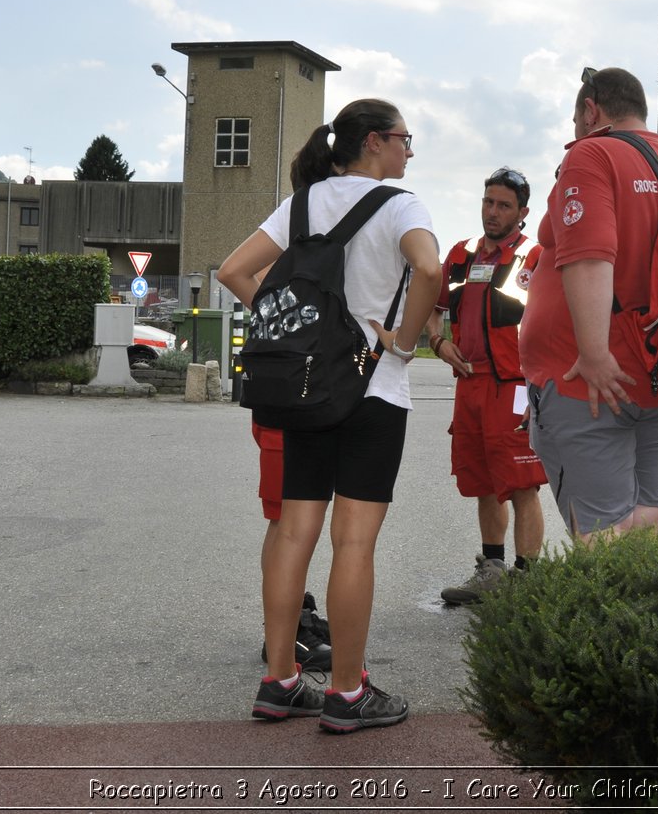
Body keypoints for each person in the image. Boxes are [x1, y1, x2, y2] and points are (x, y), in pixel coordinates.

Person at [219, 98, 440, 734]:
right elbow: (428, 267)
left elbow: (235, 270)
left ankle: (280, 680)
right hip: (373, 389)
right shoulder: (401, 205)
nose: (408, 150)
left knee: (294, 531)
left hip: (307, 387)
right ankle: (347, 692)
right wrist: (402, 338)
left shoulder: (303, 203)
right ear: (374, 142)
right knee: (354, 541)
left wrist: (293, 320)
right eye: (403, 138)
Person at [518, 67, 658, 543]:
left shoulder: (593, 154)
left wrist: (594, 354)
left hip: (592, 380)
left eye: (576, 119)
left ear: (591, 110)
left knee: (602, 533)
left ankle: (614, 618)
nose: (575, 130)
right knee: (654, 518)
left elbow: (589, 255)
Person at [426, 167, 546, 604]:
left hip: (514, 386)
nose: (492, 212)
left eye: (503, 206)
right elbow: (432, 307)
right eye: (488, 202)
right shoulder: (461, 255)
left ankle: (526, 580)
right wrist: (438, 342)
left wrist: (541, 387)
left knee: (521, 483)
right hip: (470, 386)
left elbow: (554, 323)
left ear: (523, 212)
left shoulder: (535, 256)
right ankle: (492, 570)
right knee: (483, 482)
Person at [250, 421, 331, 671]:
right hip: (288, 407)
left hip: (298, 404)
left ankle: (291, 617)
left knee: (288, 518)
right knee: (285, 518)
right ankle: (287, 632)